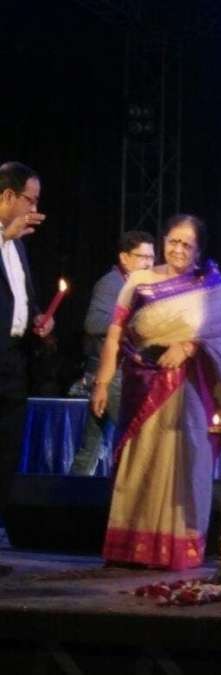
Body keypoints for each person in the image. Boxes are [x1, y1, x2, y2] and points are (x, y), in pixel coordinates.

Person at [91, 214, 221, 570]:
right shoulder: (139, 280)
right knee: (139, 463)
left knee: (180, 463)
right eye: (173, 241)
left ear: (199, 251)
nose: (179, 249)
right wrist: (102, 382)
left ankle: (174, 548)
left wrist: (189, 346)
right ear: (163, 242)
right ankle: (131, 547)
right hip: (139, 384)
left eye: (188, 244)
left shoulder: (213, 288)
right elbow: (115, 333)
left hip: (186, 388)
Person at [0, 162, 53, 577]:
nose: (34, 210)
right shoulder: (9, 236)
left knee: (5, 455)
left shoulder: (19, 243)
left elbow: (21, 297)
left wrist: (38, 319)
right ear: (7, 196)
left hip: (13, 363)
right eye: (30, 200)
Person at [70, 230, 155, 476]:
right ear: (124, 258)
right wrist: (133, 323)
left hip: (118, 373)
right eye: (142, 257)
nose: (149, 263)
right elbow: (93, 323)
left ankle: (74, 494)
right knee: (137, 436)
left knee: (91, 448)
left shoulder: (142, 286)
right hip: (111, 374)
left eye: (151, 257)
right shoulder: (111, 284)